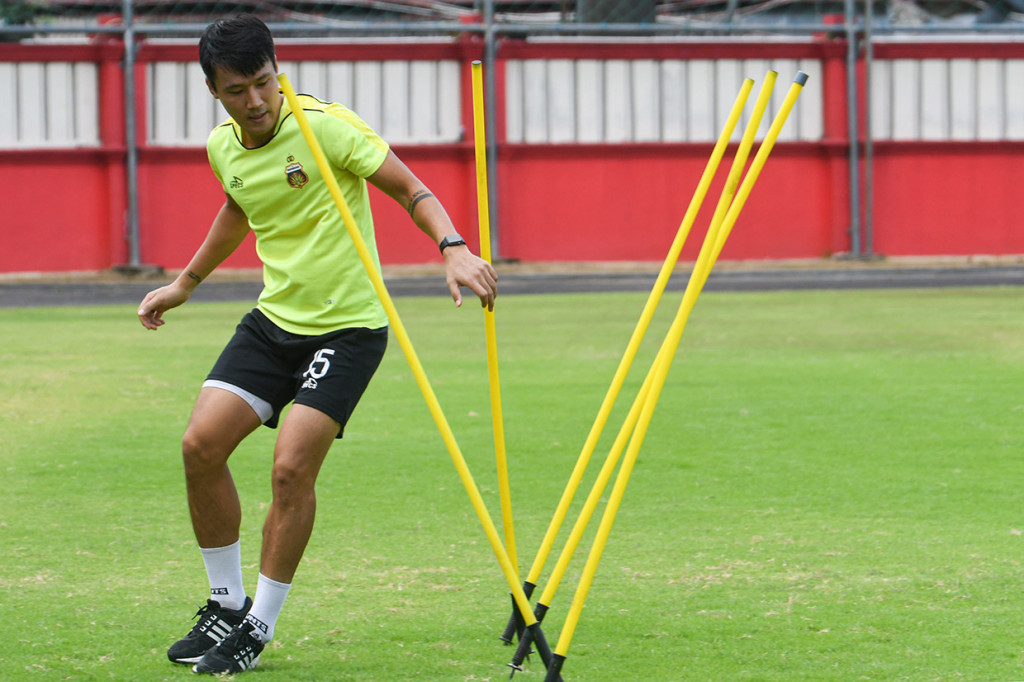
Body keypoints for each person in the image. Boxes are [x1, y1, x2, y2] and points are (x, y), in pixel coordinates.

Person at [137, 14, 497, 675]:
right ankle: (223, 602)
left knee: (290, 469)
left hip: (350, 327)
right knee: (199, 446)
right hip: (274, 323)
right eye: (237, 89)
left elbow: (410, 188)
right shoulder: (224, 145)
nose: (255, 101)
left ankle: (258, 626)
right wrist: (184, 283)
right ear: (213, 90)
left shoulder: (324, 127)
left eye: (264, 82)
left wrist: (453, 248)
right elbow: (240, 207)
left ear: (279, 70)